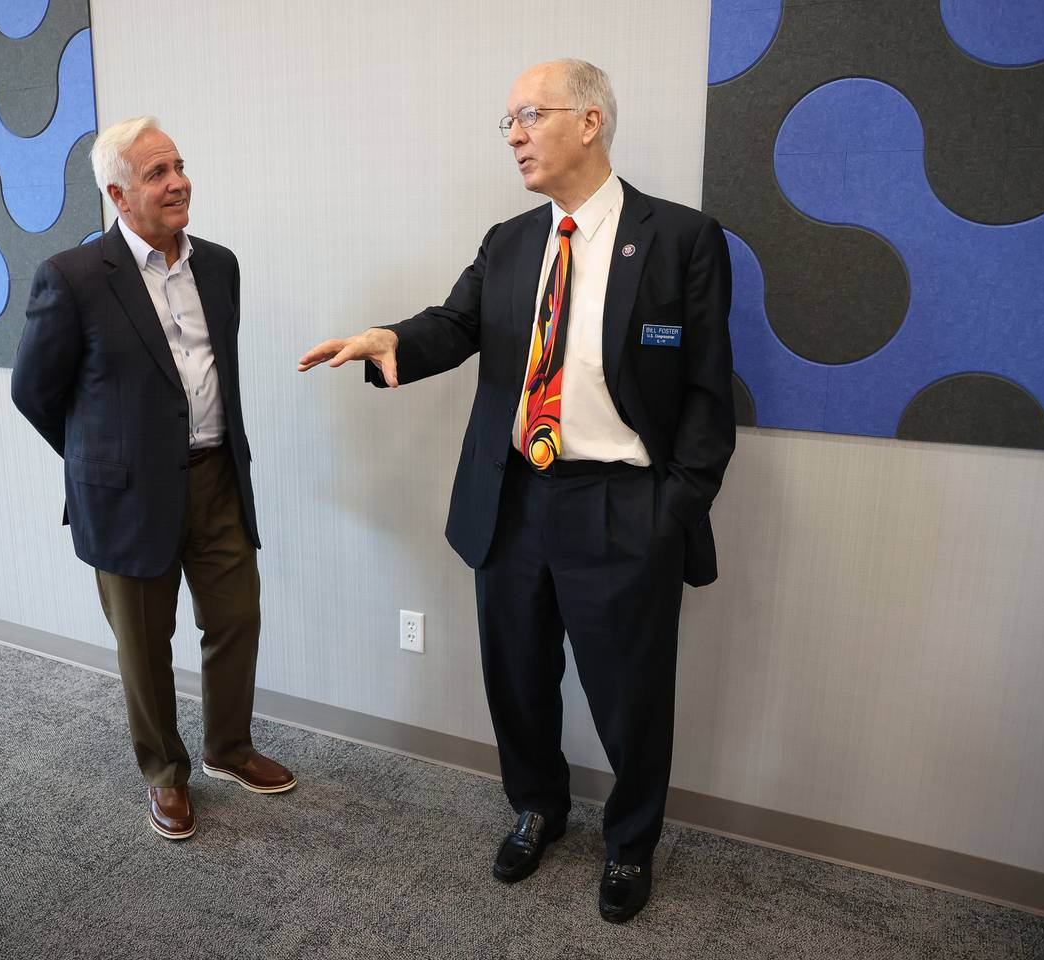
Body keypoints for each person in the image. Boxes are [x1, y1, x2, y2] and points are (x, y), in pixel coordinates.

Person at [299, 59, 734, 923]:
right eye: (506, 121)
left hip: (620, 504)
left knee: (630, 691)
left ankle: (630, 842)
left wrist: (671, 510)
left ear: (591, 122)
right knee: (517, 675)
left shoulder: (682, 238)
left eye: (530, 115)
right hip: (512, 497)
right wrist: (391, 338)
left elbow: (708, 394)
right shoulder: (510, 240)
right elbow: (458, 324)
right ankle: (538, 806)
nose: (514, 135)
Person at [12, 116, 295, 842]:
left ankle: (229, 747)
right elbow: (35, 392)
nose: (178, 182)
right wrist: (101, 463)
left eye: (179, 165)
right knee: (145, 644)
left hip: (218, 474)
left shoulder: (220, 265)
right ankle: (165, 775)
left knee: (236, 617)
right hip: (127, 497)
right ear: (118, 193)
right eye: (157, 173)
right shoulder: (72, 278)